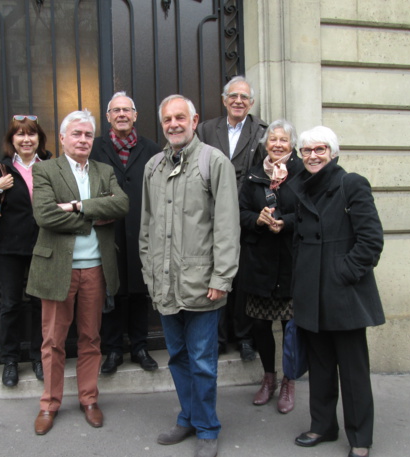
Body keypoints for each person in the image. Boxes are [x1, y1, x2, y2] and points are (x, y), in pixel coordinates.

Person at [140, 95, 240, 457]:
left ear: (195, 120)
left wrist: (221, 277)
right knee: (178, 357)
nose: (173, 124)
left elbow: (228, 227)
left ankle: (208, 427)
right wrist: (150, 275)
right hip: (165, 283)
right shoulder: (153, 166)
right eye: (167, 119)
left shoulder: (214, 162)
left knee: (202, 360)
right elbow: (147, 227)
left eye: (180, 117)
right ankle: (188, 417)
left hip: (203, 285)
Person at [26, 110, 129, 436]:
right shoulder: (45, 170)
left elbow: (122, 205)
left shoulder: (104, 170)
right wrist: (96, 213)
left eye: (88, 135)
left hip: (95, 269)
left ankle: (88, 399)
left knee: (91, 338)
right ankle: (49, 404)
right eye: (77, 134)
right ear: (63, 138)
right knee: (53, 341)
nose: (83, 140)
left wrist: (75, 206)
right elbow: (44, 216)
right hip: (58, 268)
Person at [288, 126, 384, 457]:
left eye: (320, 150)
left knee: (353, 371)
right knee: (322, 366)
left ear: (333, 152)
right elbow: (299, 238)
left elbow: (371, 241)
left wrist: (342, 272)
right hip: (311, 294)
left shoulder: (351, 183)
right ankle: (323, 426)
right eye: (307, 151)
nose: (313, 156)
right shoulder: (301, 187)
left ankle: (360, 438)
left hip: (343, 294)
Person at [0, 114, 51, 387]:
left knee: (41, 304)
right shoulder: (1, 170)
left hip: (44, 246)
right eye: (20, 134)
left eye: (31, 134)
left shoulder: (50, 166)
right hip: (10, 248)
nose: (26, 139)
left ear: (39, 139)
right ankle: (10, 361)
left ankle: (40, 357)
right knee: (11, 304)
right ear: (12, 140)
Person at [196, 75, 268, 360]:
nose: (239, 101)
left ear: (251, 103)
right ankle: (218, 337)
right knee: (216, 274)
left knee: (243, 278)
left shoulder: (262, 130)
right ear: (224, 100)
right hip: (213, 214)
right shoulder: (205, 129)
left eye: (245, 98)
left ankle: (244, 337)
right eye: (233, 96)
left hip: (247, 214)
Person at [90, 92, 160, 374]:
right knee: (112, 289)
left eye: (126, 110)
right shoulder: (95, 148)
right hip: (107, 231)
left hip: (142, 229)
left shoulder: (152, 148)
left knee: (140, 291)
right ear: (108, 117)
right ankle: (113, 350)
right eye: (115, 110)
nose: (121, 114)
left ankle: (140, 346)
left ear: (135, 115)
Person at [238, 119, 303, 413]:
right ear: (266, 144)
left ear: (292, 145)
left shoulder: (303, 174)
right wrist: (257, 219)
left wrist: (285, 222)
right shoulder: (253, 176)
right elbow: (239, 213)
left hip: (291, 262)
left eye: (283, 140)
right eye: (273, 139)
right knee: (261, 326)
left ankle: (289, 381)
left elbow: (309, 212)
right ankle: (269, 379)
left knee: (290, 328)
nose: (277, 144)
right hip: (259, 263)